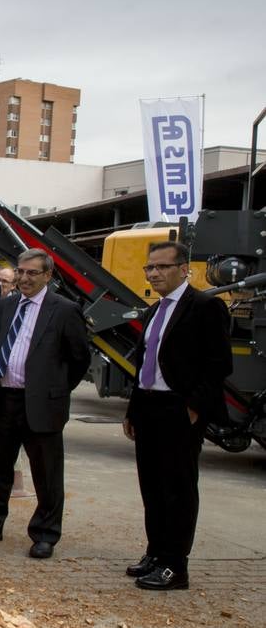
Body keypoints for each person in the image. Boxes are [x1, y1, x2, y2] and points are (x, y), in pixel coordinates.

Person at [0, 248, 88, 558]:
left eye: (33, 273)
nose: (24, 278)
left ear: (47, 275)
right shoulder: (5, 306)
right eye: (20, 271)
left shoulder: (64, 310)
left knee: (46, 472)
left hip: (42, 403)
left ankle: (45, 533)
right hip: (5, 398)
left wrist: (54, 389)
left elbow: (79, 359)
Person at [123, 241, 232, 590]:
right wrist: (132, 410)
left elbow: (218, 365)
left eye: (162, 267)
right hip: (148, 408)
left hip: (178, 410)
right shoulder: (155, 310)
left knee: (178, 489)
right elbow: (143, 366)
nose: (154, 273)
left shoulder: (205, 307)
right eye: (149, 268)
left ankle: (175, 565)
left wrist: (193, 407)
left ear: (184, 269)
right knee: (151, 486)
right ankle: (156, 553)